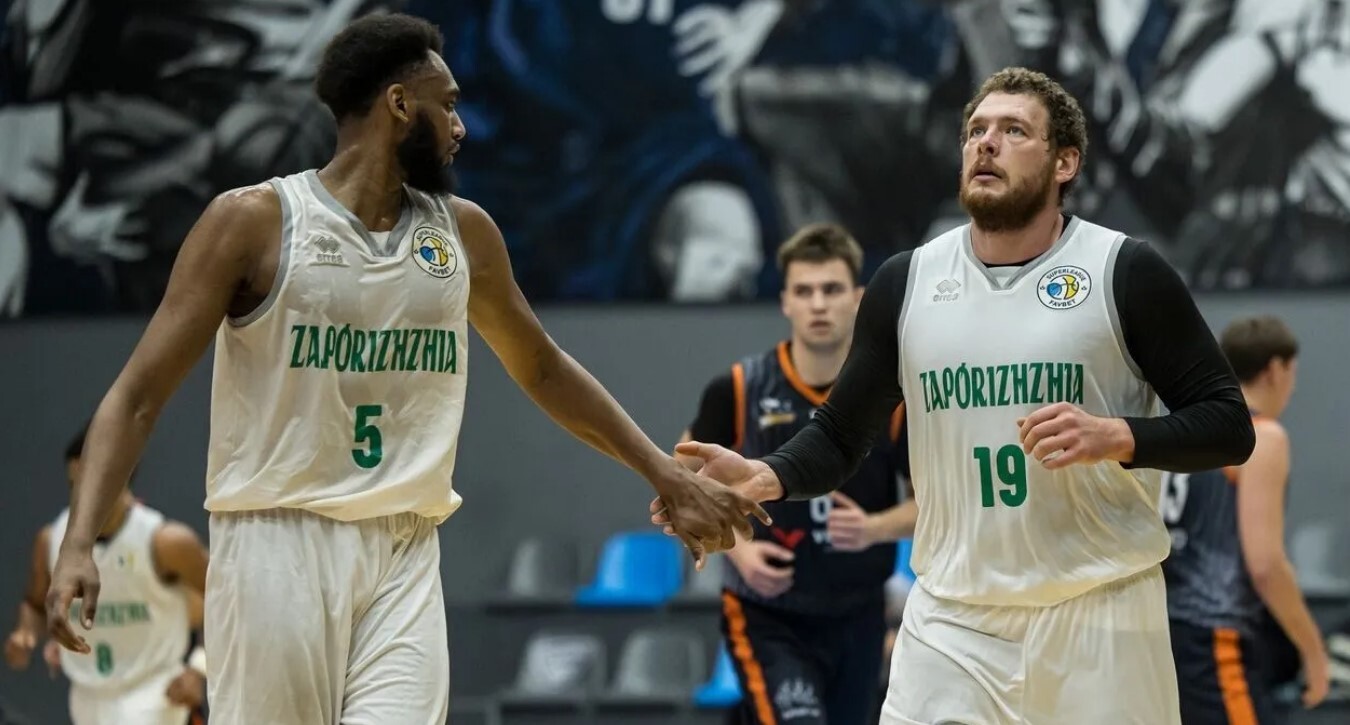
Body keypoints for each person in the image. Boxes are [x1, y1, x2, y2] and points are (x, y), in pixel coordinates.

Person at [42, 13, 768, 725]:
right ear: (398, 104)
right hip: (276, 543)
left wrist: (663, 472)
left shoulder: (464, 232)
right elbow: (136, 396)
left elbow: (543, 367)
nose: (460, 126)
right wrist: (78, 542)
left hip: (405, 546)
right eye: (446, 105)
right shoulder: (253, 222)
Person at [658, 66, 1257, 724]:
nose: (986, 143)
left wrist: (1118, 435)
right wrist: (766, 474)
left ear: (1065, 162)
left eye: (1013, 130)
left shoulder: (1125, 271)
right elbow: (840, 433)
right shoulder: (906, 282)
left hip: (1101, 614)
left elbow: (1229, 424)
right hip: (952, 621)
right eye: (975, 131)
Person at [677, 223, 917, 724]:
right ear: (785, 301)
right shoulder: (739, 388)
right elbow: (681, 484)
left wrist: (874, 528)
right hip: (769, 614)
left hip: (858, 611)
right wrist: (739, 551)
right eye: (804, 292)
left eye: (831, 289)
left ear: (858, 298)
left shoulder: (891, 400)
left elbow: (936, 502)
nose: (818, 304)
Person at [1162, 315, 1330, 723]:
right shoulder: (1262, 436)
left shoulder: (1187, 426)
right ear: (1275, 370)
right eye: (1292, 373)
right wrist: (1313, 651)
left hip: (1161, 632)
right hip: (1215, 635)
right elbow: (1265, 566)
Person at [6, 424, 209, 725]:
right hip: (88, 696)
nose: (81, 496)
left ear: (122, 477)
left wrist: (199, 668)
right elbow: (35, 604)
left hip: (155, 692)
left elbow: (225, 600)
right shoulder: (51, 540)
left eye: (92, 484)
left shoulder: (166, 542)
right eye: (73, 485)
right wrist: (25, 633)